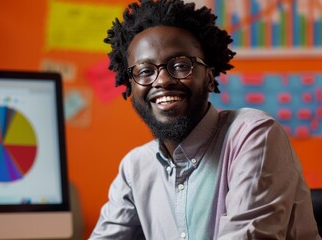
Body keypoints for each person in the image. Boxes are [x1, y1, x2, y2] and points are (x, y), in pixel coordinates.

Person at [90, 0, 321, 239]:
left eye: (180, 65)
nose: (162, 81)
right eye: (145, 71)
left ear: (210, 78)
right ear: (131, 86)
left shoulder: (253, 136)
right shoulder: (135, 167)